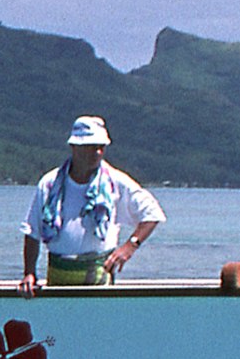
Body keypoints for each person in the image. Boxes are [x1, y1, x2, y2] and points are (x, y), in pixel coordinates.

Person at [18, 114, 164, 294]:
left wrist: (130, 246)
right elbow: (32, 232)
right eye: (90, 147)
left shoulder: (115, 181)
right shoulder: (49, 183)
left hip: (99, 278)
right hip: (58, 276)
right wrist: (29, 273)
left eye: (101, 147)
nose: (97, 153)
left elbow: (152, 213)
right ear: (74, 147)